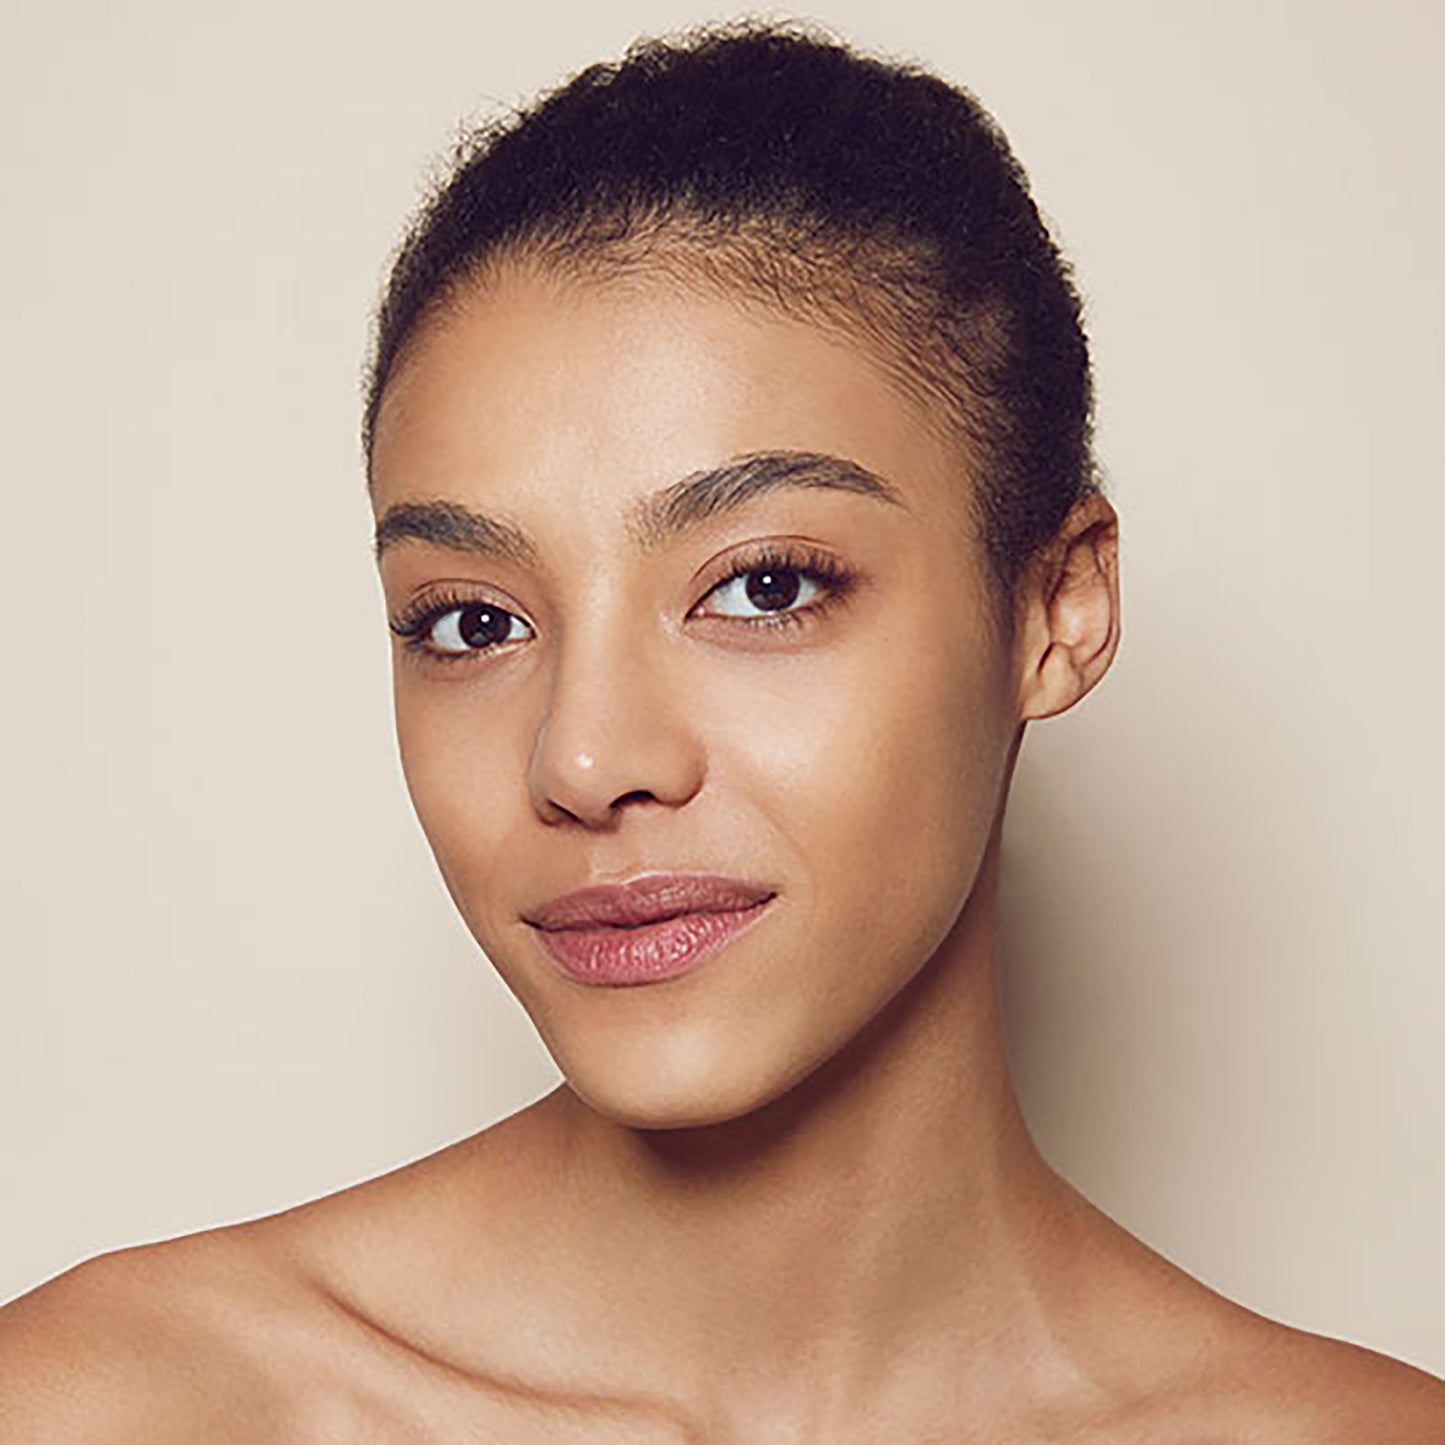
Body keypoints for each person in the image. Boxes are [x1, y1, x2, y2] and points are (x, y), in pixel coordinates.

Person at [1, 20, 1441, 1442]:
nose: (580, 759)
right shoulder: (119, 1406)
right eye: (471, 620)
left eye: (763, 586)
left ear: (1054, 607)